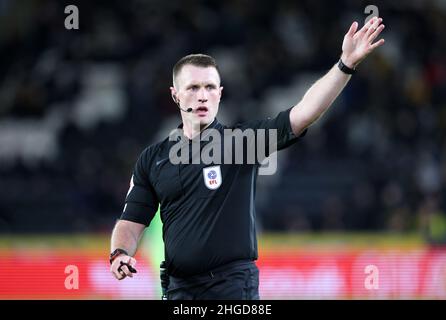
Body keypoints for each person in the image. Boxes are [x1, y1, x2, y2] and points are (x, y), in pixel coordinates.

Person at [109, 17, 385, 300]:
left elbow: (302, 114)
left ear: (220, 93)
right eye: (193, 88)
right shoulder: (152, 160)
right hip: (179, 292)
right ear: (175, 95)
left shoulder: (241, 143)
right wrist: (119, 253)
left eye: (210, 87)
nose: (202, 96)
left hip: (233, 290)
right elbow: (131, 222)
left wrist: (345, 64)